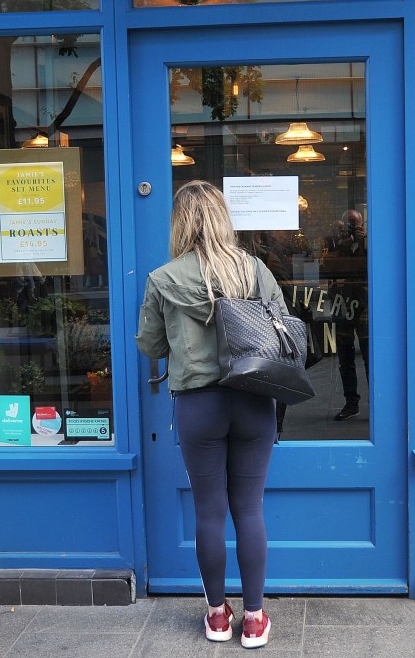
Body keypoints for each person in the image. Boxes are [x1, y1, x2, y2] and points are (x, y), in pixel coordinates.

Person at [136, 180, 285, 649]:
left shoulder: (163, 278)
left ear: (180, 223)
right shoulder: (254, 270)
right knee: (249, 509)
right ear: (223, 218)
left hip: (199, 405)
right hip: (254, 397)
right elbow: (283, 332)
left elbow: (151, 345)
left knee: (209, 512)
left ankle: (218, 617)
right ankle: (255, 618)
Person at [322, 209, 369, 421]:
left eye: (356, 224)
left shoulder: (369, 243)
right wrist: (342, 245)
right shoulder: (335, 243)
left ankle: (375, 403)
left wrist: (362, 243)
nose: (352, 227)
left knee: (370, 357)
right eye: (349, 223)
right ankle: (351, 403)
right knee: (345, 357)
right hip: (342, 303)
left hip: (366, 305)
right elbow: (326, 268)